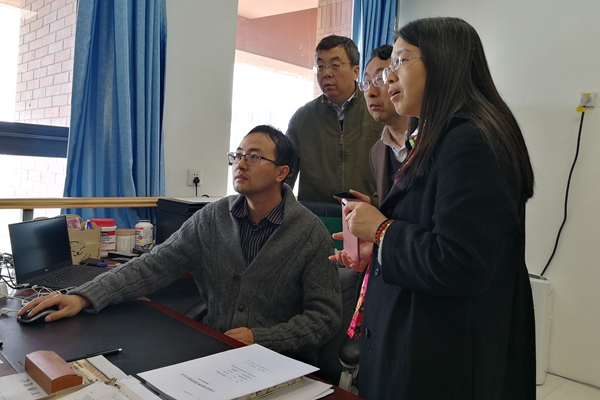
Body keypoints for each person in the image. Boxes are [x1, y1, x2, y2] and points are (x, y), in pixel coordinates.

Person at [331, 17, 536, 399]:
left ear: (444, 62)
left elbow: (461, 260)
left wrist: (381, 229)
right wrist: (379, 247)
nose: (389, 78)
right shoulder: (438, 137)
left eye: (401, 61)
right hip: (422, 337)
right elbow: (430, 229)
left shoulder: (472, 139)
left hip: (444, 353)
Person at [19, 125, 343, 365]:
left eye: (254, 157)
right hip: (214, 350)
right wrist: (84, 296)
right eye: (237, 155)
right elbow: (154, 264)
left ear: (282, 172)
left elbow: (325, 316)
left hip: (279, 363)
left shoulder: (310, 233)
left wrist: (262, 338)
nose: (240, 164)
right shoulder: (213, 218)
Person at [286, 35, 383, 206]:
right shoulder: (302, 118)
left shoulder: (377, 111)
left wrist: (376, 204)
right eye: (320, 67)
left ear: (355, 71)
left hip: (368, 213)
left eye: (335, 65)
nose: (326, 73)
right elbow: (285, 174)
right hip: (314, 215)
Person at [361, 44, 411, 202]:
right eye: (366, 83)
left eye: (379, 79)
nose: (370, 92)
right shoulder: (376, 152)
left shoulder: (432, 137)